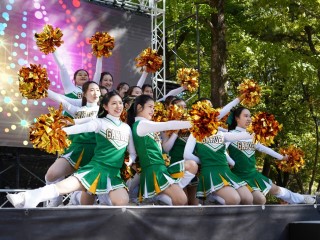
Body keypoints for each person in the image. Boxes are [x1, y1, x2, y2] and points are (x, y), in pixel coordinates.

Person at [7, 91, 136, 208]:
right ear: (105, 107)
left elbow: (133, 153)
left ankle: (76, 201)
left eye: (120, 103)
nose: (118, 106)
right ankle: (24, 197)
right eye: (114, 103)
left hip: (113, 174)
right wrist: (56, 131)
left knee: (121, 201)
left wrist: (129, 161)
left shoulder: (126, 128)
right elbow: (78, 129)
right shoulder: (99, 123)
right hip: (96, 169)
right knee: (61, 187)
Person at [226, 106, 315, 205]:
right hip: (238, 176)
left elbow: (265, 149)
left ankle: (302, 198)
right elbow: (221, 151)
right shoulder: (230, 134)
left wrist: (282, 157)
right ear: (237, 118)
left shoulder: (251, 135)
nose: (249, 119)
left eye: (250, 116)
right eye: (246, 116)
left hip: (252, 174)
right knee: (260, 200)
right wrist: (231, 161)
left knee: (276, 190)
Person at [127, 95, 197, 205]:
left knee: (192, 165)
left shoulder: (147, 125)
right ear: (139, 107)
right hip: (154, 171)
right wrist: (194, 123)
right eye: (150, 107)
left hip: (163, 168)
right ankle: (163, 194)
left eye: (154, 108)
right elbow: (168, 125)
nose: (152, 110)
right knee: (182, 200)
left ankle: (166, 193)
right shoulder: (141, 124)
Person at [44, 81, 101, 207]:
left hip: (95, 153)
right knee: (51, 175)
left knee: (87, 200)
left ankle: (75, 199)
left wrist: (73, 122)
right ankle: (56, 200)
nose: (95, 92)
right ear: (84, 94)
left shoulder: (104, 110)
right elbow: (60, 99)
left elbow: (93, 120)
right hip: (76, 148)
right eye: (91, 90)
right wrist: (42, 89)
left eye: (97, 90)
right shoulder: (78, 110)